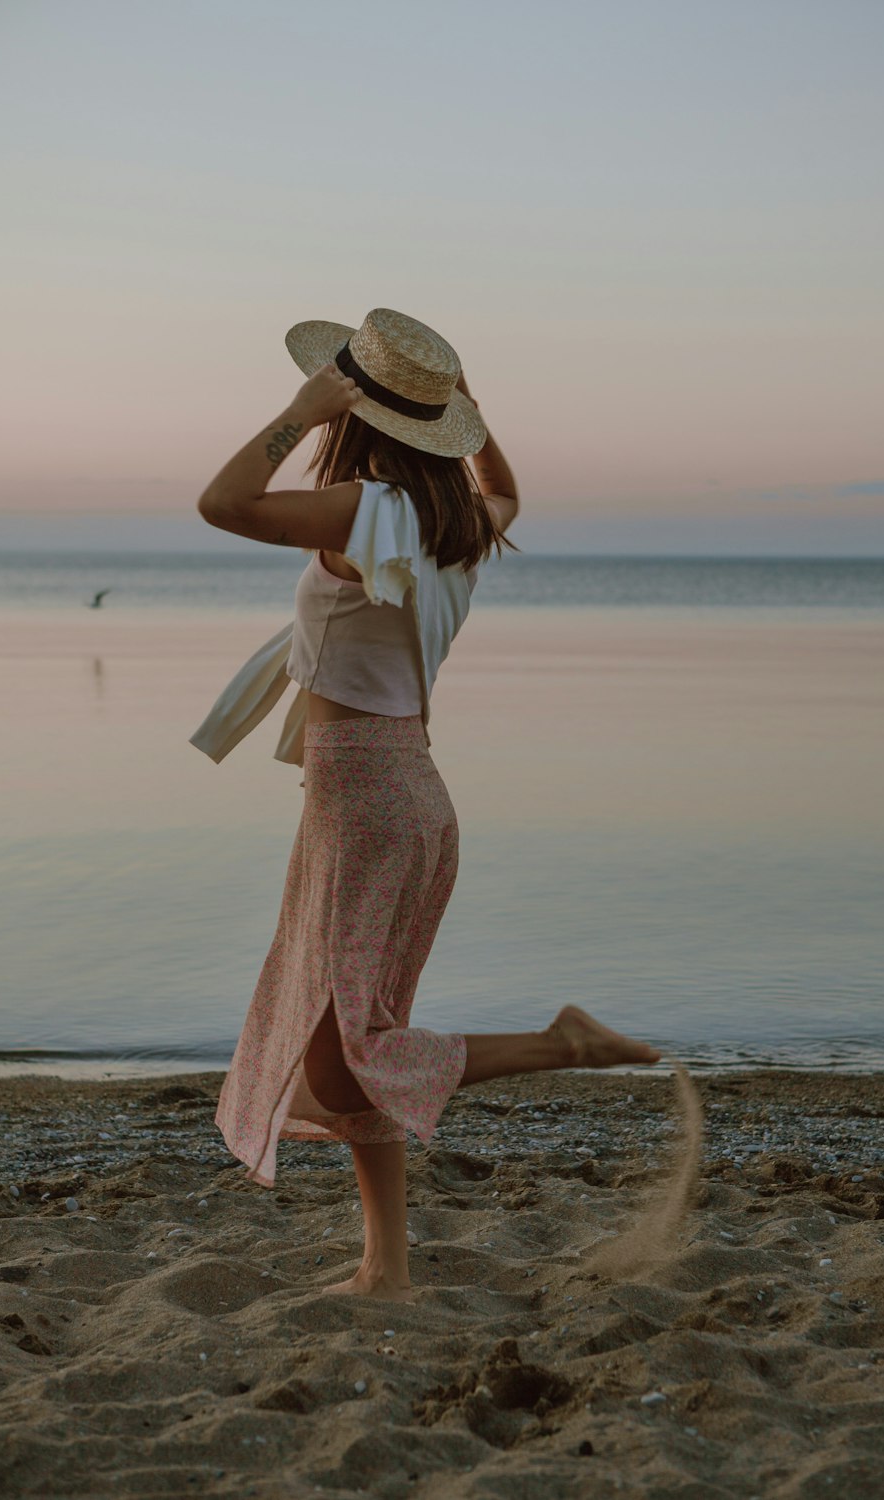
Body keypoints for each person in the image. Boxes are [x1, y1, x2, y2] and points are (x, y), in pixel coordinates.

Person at [195, 307, 661, 1302]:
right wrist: (476, 422)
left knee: (350, 1055)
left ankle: (564, 1043)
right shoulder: (449, 521)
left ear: (355, 412)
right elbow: (508, 493)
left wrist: (294, 412)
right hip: (398, 796)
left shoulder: (366, 510)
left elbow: (221, 502)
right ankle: (385, 1269)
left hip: (368, 801)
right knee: (351, 1039)